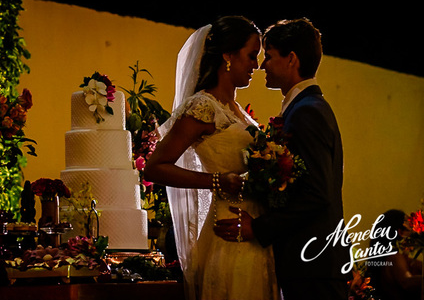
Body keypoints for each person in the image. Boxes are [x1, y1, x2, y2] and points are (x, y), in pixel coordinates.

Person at [145, 16, 278, 300]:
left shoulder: (238, 111)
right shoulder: (203, 106)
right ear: (228, 56)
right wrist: (216, 180)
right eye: (251, 56)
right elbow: (155, 167)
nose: (256, 65)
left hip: (255, 230)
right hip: (229, 232)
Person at [214, 18, 346, 300]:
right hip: (309, 262)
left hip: (311, 263)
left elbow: (317, 193)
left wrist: (259, 228)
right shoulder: (305, 108)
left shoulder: (307, 111)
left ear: (291, 59)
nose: (262, 66)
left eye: (269, 56)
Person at [366, 209, 423, 300]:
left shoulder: (386, 259)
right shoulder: (395, 258)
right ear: (400, 232)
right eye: (411, 228)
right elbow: (407, 282)